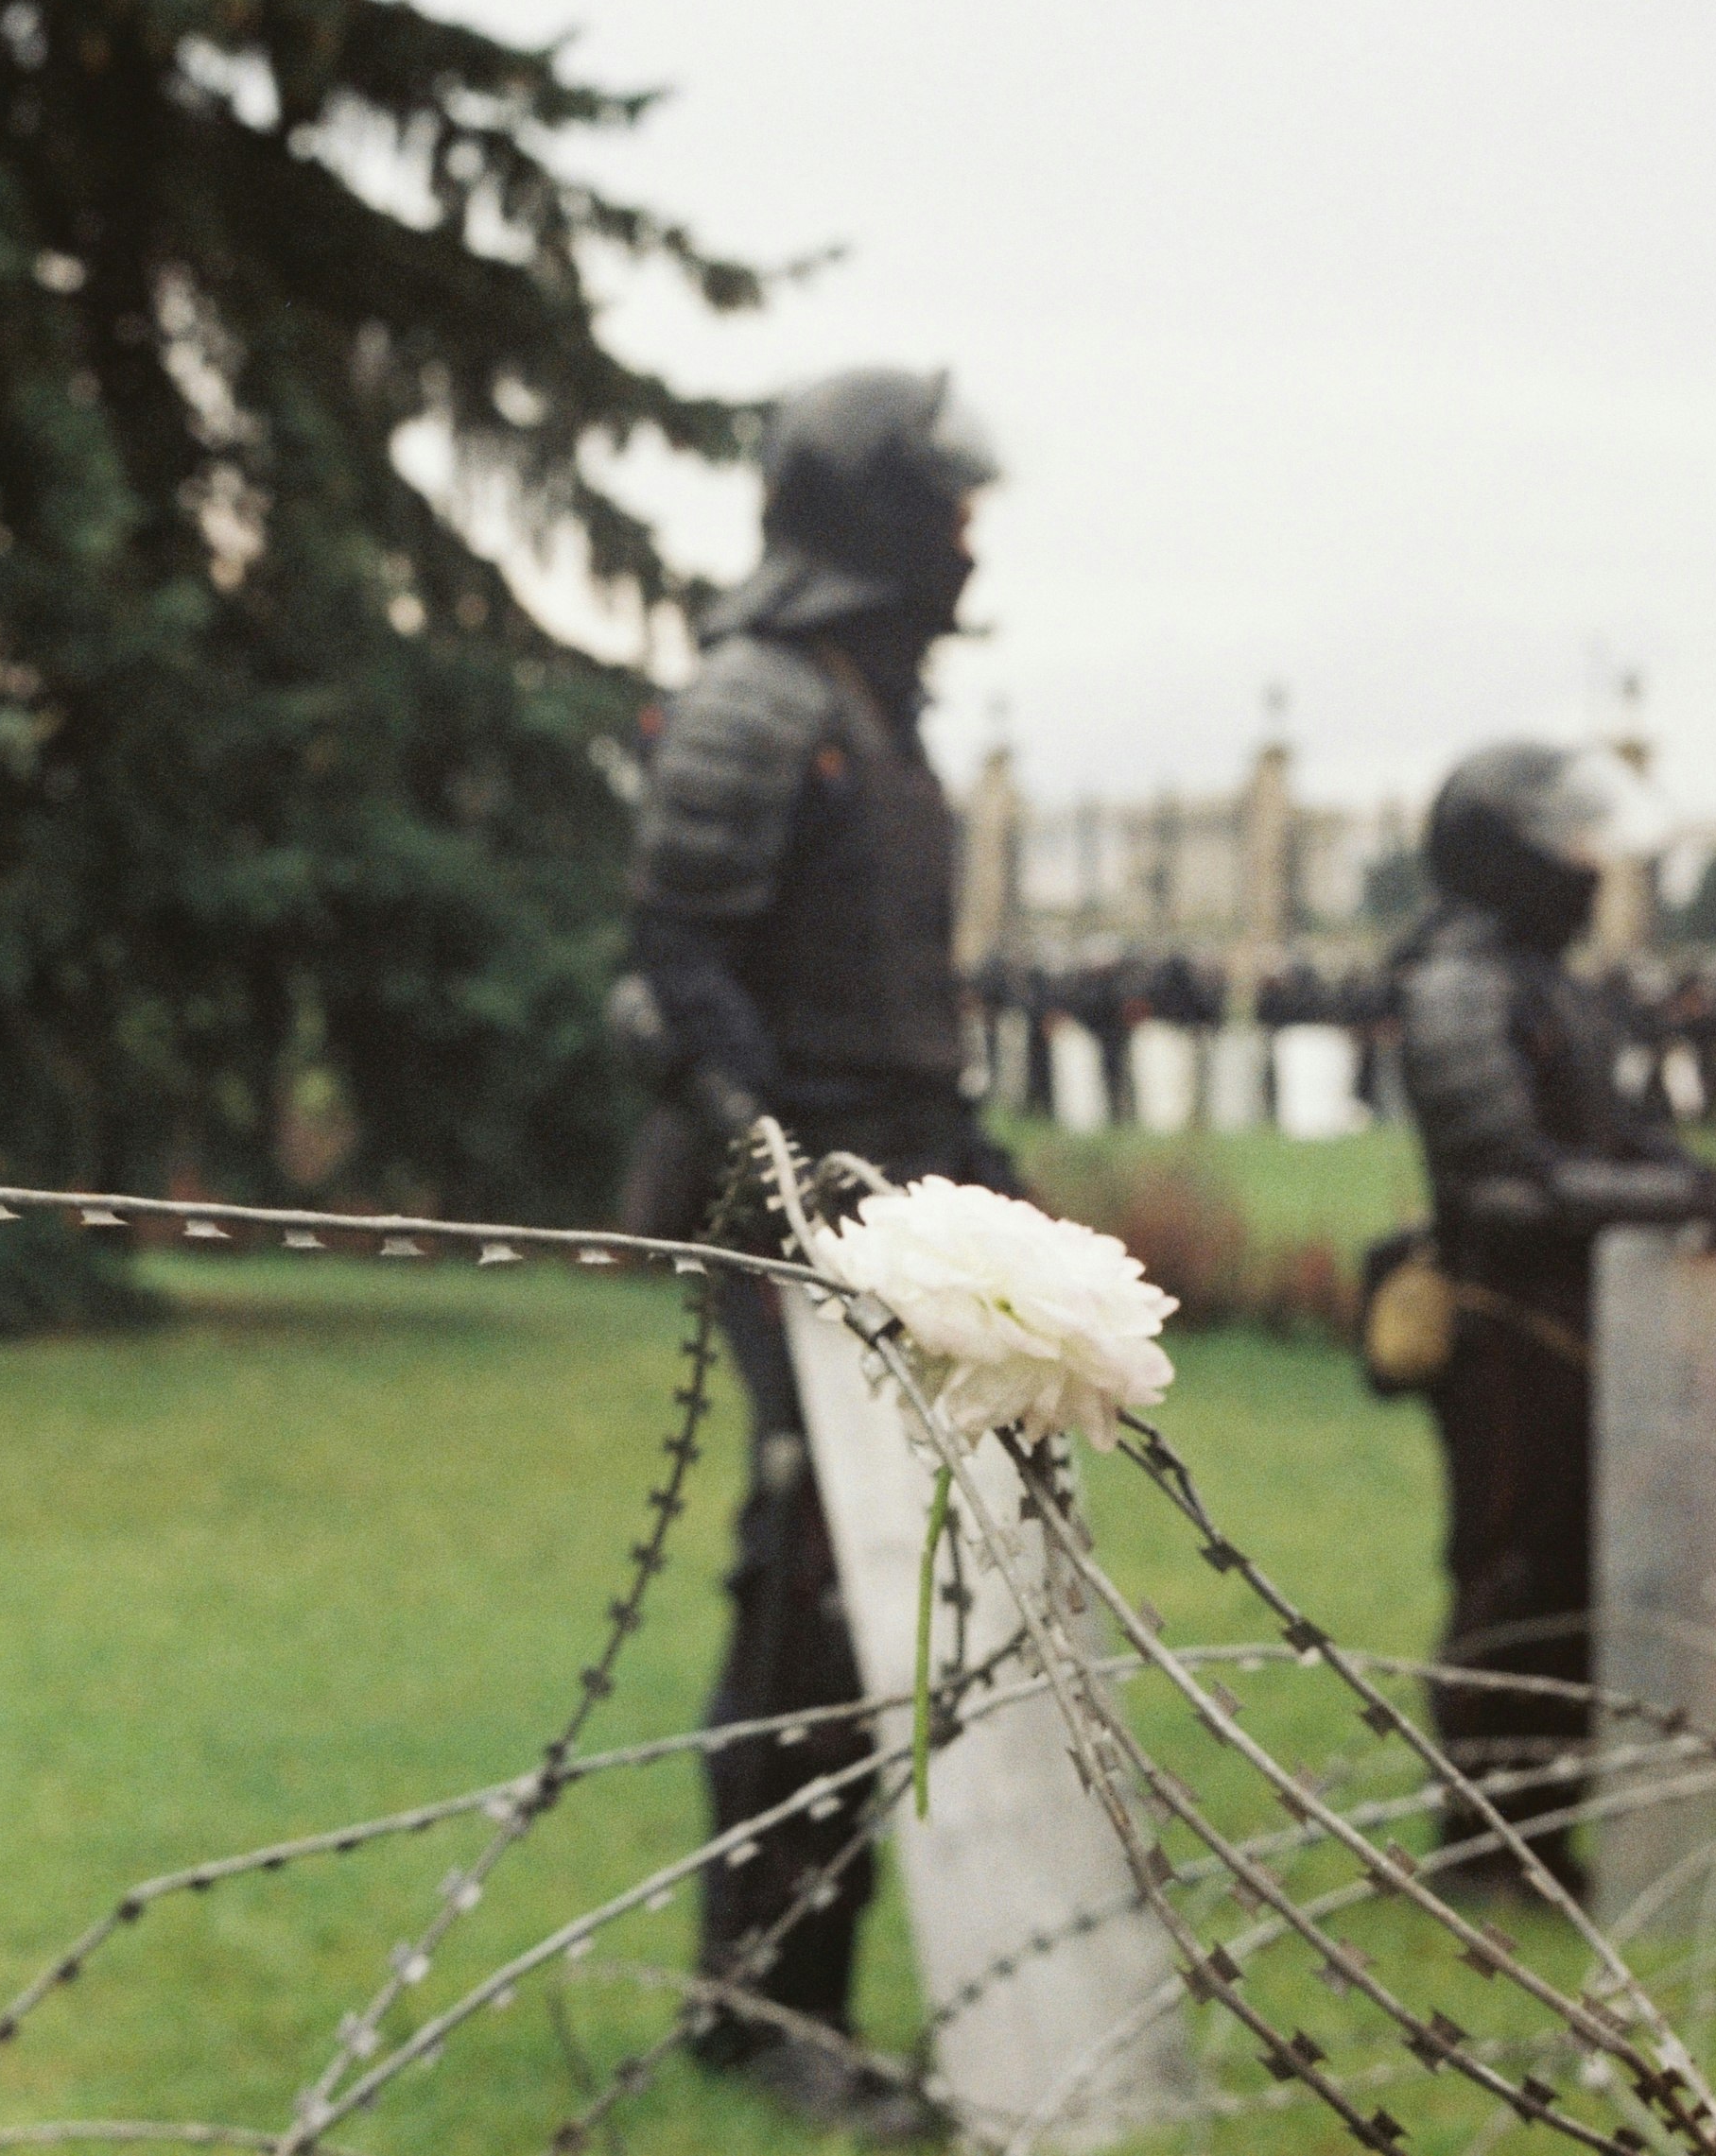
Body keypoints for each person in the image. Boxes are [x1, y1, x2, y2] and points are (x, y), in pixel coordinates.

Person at [616, 366, 1000, 2141]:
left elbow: (910, 1022)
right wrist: (782, 1168)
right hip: (782, 1213)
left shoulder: (885, 712)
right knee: (809, 1588)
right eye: (942, 502)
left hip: (909, 1199)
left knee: (902, 1597)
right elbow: (678, 975)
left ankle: (832, 1972)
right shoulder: (762, 700)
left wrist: (982, 1193)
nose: (967, 533)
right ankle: (759, 1998)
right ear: (868, 512)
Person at [1395, 741, 1716, 1893]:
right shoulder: (1460, 985)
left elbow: (1624, 1133)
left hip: (1592, 1317)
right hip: (1509, 1324)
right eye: (1566, 845)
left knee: (1573, 1577)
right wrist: (1675, 1197)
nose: (1590, 867)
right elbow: (1503, 1181)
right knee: (1509, 1574)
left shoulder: (1558, 983)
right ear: (1501, 854)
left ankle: (1545, 1830)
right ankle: (1483, 1841)